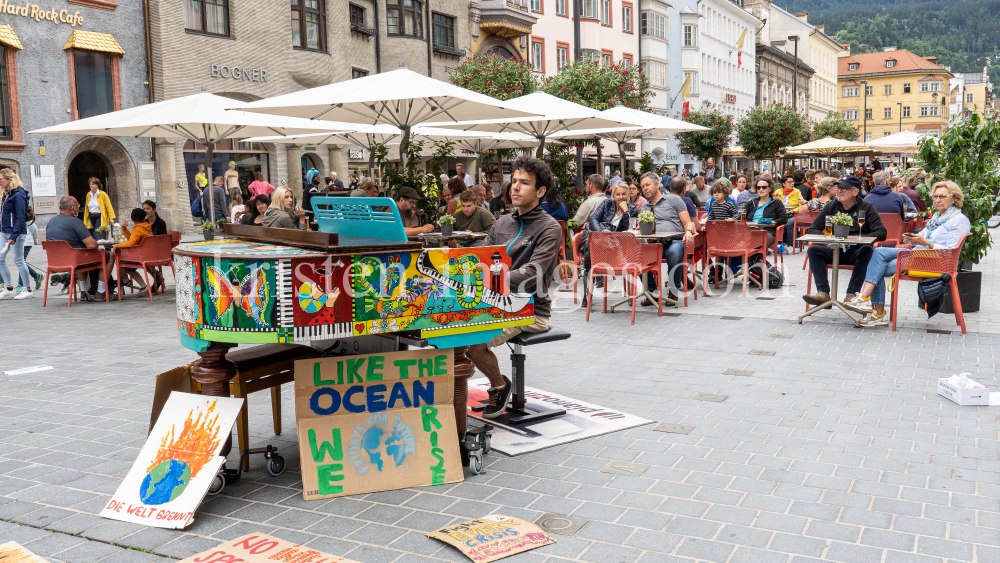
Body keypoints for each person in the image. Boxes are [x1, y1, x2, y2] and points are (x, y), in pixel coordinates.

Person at [465, 156, 562, 419]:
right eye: (514, 181)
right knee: (450, 331)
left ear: (540, 191)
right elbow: (481, 257)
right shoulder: (501, 223)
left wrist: (489, 279)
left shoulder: (549, 228)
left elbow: (533, 272)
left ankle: (499, 385)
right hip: (493, 301)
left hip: (531, 309)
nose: (516, 187)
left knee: (472, 340)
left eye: (525, 183)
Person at [844, 181, 970, 327]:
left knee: (876, 266)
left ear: (954, 198)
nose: (937, 200)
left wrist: (926, 243)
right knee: (877, 253)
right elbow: (922, 236)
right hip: (919, 253)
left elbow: (950, 251)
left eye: (942, 196)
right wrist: (911, 238)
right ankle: (867, 301)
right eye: (935, 196)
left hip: (936, 261)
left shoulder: (959, 220)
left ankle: (875, 310)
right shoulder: (937, 217)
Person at [802, 176, 887, 306]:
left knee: (867, 250)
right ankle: (823, 293)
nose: (839, 191)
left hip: (856, 252)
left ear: (855, 191)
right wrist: (829, 238)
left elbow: (882, 233)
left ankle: (851, 294)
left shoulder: (866, 207)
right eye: (838, 188)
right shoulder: (831, 206)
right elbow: (813, 229)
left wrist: (859, 238)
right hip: (835, 249)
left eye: (844, 188)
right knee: (814, 250)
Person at [641, 174, 697, 304]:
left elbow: (687, 222)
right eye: (643, 186)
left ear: (657, 185)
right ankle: (652, 292)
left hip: (675, 241)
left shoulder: (673, 200)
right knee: (637, 255)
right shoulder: (644, 207)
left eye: (647, 185)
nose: (645, 188)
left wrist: (688, 232)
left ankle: (673, 290)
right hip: (655, 244)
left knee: (674, 252)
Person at [0, 169, 33, 300]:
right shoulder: (6, 194)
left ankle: (27, 289)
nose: (0, 182)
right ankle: (8, 287)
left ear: (9, 180)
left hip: (16, 232)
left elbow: (20, 217)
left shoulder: (19, 195)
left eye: (1, 179)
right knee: (0, 258)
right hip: (4, 231)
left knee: (18, 260)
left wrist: (14, 235)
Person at [115, 208, 156, 298]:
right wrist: (124, 229)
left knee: (121, 262)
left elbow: (131, 243)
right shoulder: (146, 227)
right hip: (150, 255)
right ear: (144, 219)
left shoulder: (138, 229)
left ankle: (126, 280)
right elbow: (132, 239)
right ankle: (142, 285)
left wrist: (117, 246)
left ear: (132, 219)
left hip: (142, 257)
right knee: (127, 265)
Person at [743, 178, 788, 249]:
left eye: (764, 187)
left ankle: (755, 258)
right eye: (758, 187)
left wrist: (765, 224)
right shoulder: (751, 203)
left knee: (758, 242)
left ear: (770, 189)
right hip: (750, 231)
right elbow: (742, 216)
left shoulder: (777, 203)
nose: (761, 189)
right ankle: (755, 259)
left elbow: (783, 219)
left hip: (768, 232)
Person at [17, 206, 43, 292]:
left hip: (27, 242)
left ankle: (20, 285)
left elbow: (34, 229)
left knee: (21, 261)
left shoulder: (27, 218)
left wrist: (35, 240)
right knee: (20, 262)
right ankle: (37, 276)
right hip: (18, 242)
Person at [776, 174, 806, 245]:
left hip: (793, 214)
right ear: (783, 184)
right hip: (780, 214)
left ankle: (792, 246)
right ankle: (776, 244)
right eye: (789, 182)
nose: (792, 183)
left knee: (789, 222)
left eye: (793, 181)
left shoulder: (797, 192)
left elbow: (801, 205)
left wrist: (791, 211)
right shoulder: (777, 192)